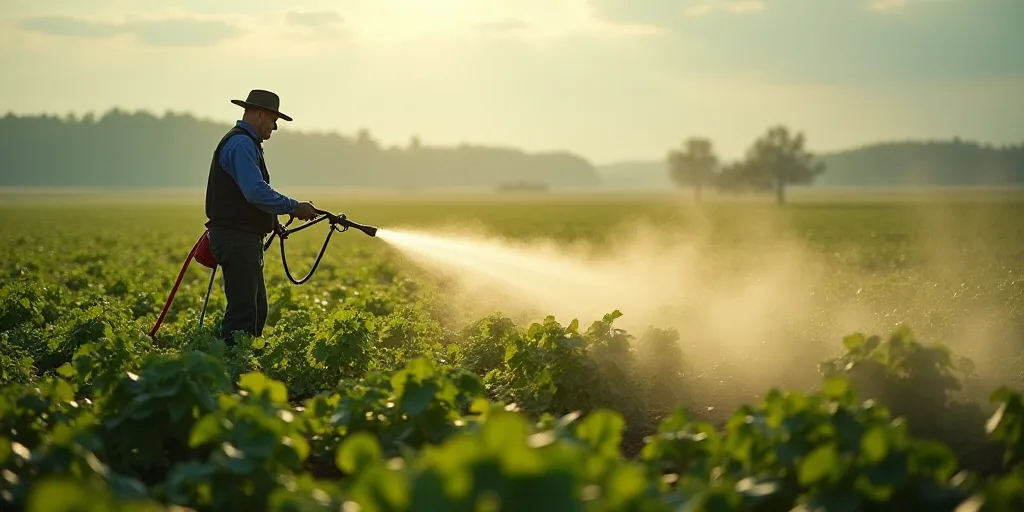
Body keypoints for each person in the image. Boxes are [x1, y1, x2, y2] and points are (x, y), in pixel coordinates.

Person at [204, 89, 317, 345]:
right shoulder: (242, 144)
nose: (275, 127)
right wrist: (293, 207)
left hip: (240, 238)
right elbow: (255, 191)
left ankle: (240, 364)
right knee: (244, 314)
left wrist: (272, 221)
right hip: (236, 238)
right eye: (273, 119)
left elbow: (245, 196)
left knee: (255, 310)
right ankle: (232, 369)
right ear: (259, 115)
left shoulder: (244, 143)